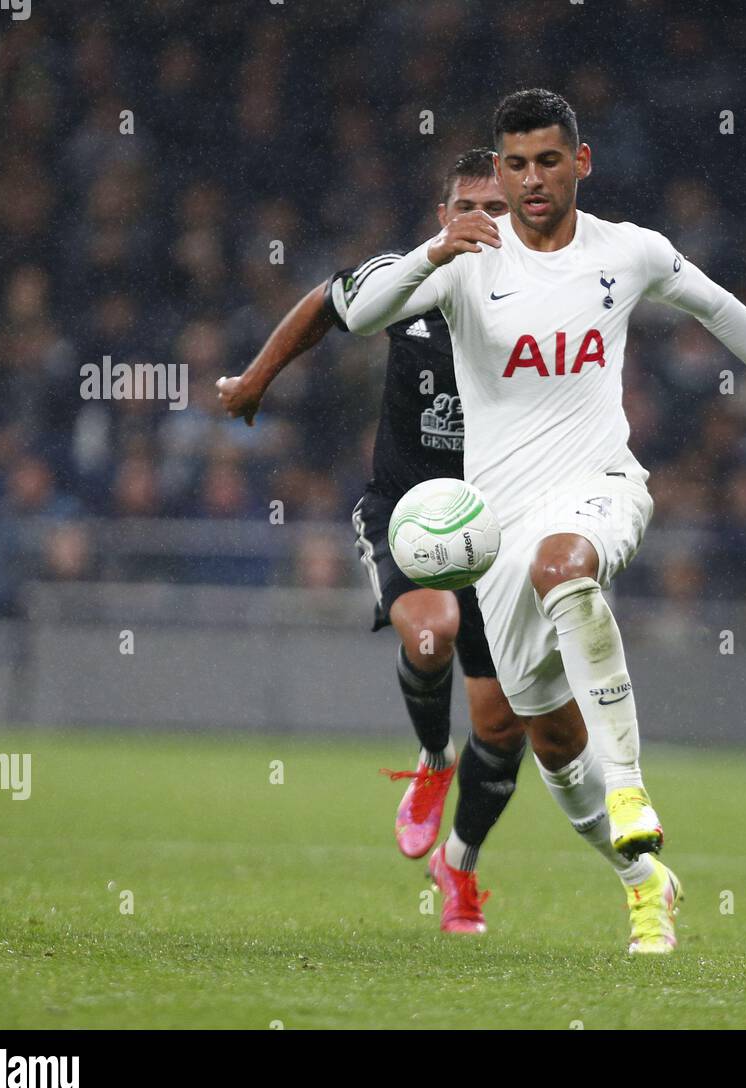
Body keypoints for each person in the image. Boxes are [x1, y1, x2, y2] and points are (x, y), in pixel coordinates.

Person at [336, 89, 746, 952]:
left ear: (580, 163)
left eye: (549, 160)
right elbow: (358, 314)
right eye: (516, 164)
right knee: (543, 738)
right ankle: (643, 878)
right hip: (496, 530)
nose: (533, 180)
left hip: (601, 483)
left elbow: (720, 308)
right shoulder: (470, 259)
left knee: (565, 565)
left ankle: (632, 788)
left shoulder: (629, 251)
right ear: (498, 173)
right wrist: (435, 249)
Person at [220, 151, 542, 936]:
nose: (484, 220)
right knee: (430, 633)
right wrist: (257, 378)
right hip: (410, 512)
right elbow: (324, 304)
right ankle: (433, 760)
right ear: (444, 215)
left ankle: (459, 868)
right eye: (470, 204)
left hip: (501, 527)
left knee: (503, 727)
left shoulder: (548, 305)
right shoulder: (410, 280)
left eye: (500, 208)